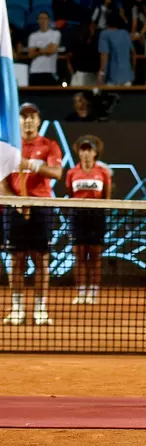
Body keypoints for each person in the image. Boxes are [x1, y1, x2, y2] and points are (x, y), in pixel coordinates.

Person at [1, 103, 63, 326]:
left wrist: (31, 165)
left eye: (32, 116)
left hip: (41, 206)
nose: (28, 120)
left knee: (41, 259)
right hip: (15, 207)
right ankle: (17, 308)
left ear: (38, 121)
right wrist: (17, 202)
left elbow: (57, 172)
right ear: (18, 121)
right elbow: (2, 183)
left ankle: (40, 308)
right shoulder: (8, 148)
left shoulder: (50, 146)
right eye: (24, 116)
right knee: (16, 259)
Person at [66, 136, 112, 305]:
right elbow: (70, 193)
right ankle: (80, 292)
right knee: (79, 255)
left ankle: (93, 291)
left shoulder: (103, 173)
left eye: (89, 150)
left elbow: (107, 196)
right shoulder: (72, 173)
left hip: (96, 217)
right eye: (83, 149)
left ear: (95, 153)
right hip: (77, 216)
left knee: (95, 256)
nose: (86, 153)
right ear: (79, 153)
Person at [98, 13, 136, 87]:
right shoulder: (125, 33)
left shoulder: (104, 34)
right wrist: (133, 71)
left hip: (112, 79)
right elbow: (133, 54)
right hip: (127, 77)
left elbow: (104, 55)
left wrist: (101, 73)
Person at [27, 12, 61, 87]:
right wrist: (46, 48)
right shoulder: (33, 36)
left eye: (45, 18)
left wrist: (37, 49)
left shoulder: (55, 33)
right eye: (41, 18)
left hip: (50, 71)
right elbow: (30, 55)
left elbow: (51, 51)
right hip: (35, 71)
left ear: (49, 20)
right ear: (38, 20)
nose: (43, 21)